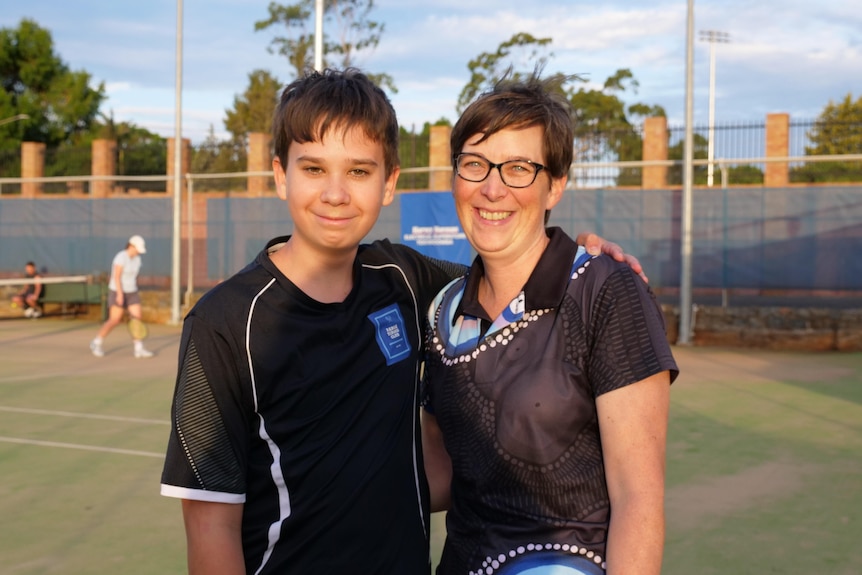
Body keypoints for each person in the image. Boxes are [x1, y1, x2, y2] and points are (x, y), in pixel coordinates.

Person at [159, 68, 643, 575]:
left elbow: (510, 272)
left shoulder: (404, 279)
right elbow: (210, 524)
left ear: (389, 183)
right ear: (281, 175)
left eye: (360, 172)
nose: (336, 194)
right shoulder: (224, 322)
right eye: (314, 169)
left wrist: (581, 253)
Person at [421, 75, 680, 575]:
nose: (492, 188)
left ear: (555, 185)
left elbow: (638, 502)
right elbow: (442, 475)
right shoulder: (443, 310)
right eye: (474, 164)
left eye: (518, 168)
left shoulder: (607, 291)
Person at [89, 235, 153, 358]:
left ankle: (138, 348)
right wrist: (119, 294)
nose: (138, 251)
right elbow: (116, 277)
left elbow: (134, 277)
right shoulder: (121, 257)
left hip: (132, 292)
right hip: (117, 291)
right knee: (115, 319)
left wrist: (133, 291)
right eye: (137, 248)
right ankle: (96, 342)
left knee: (137, 319)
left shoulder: (138, 259)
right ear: (131, 246)